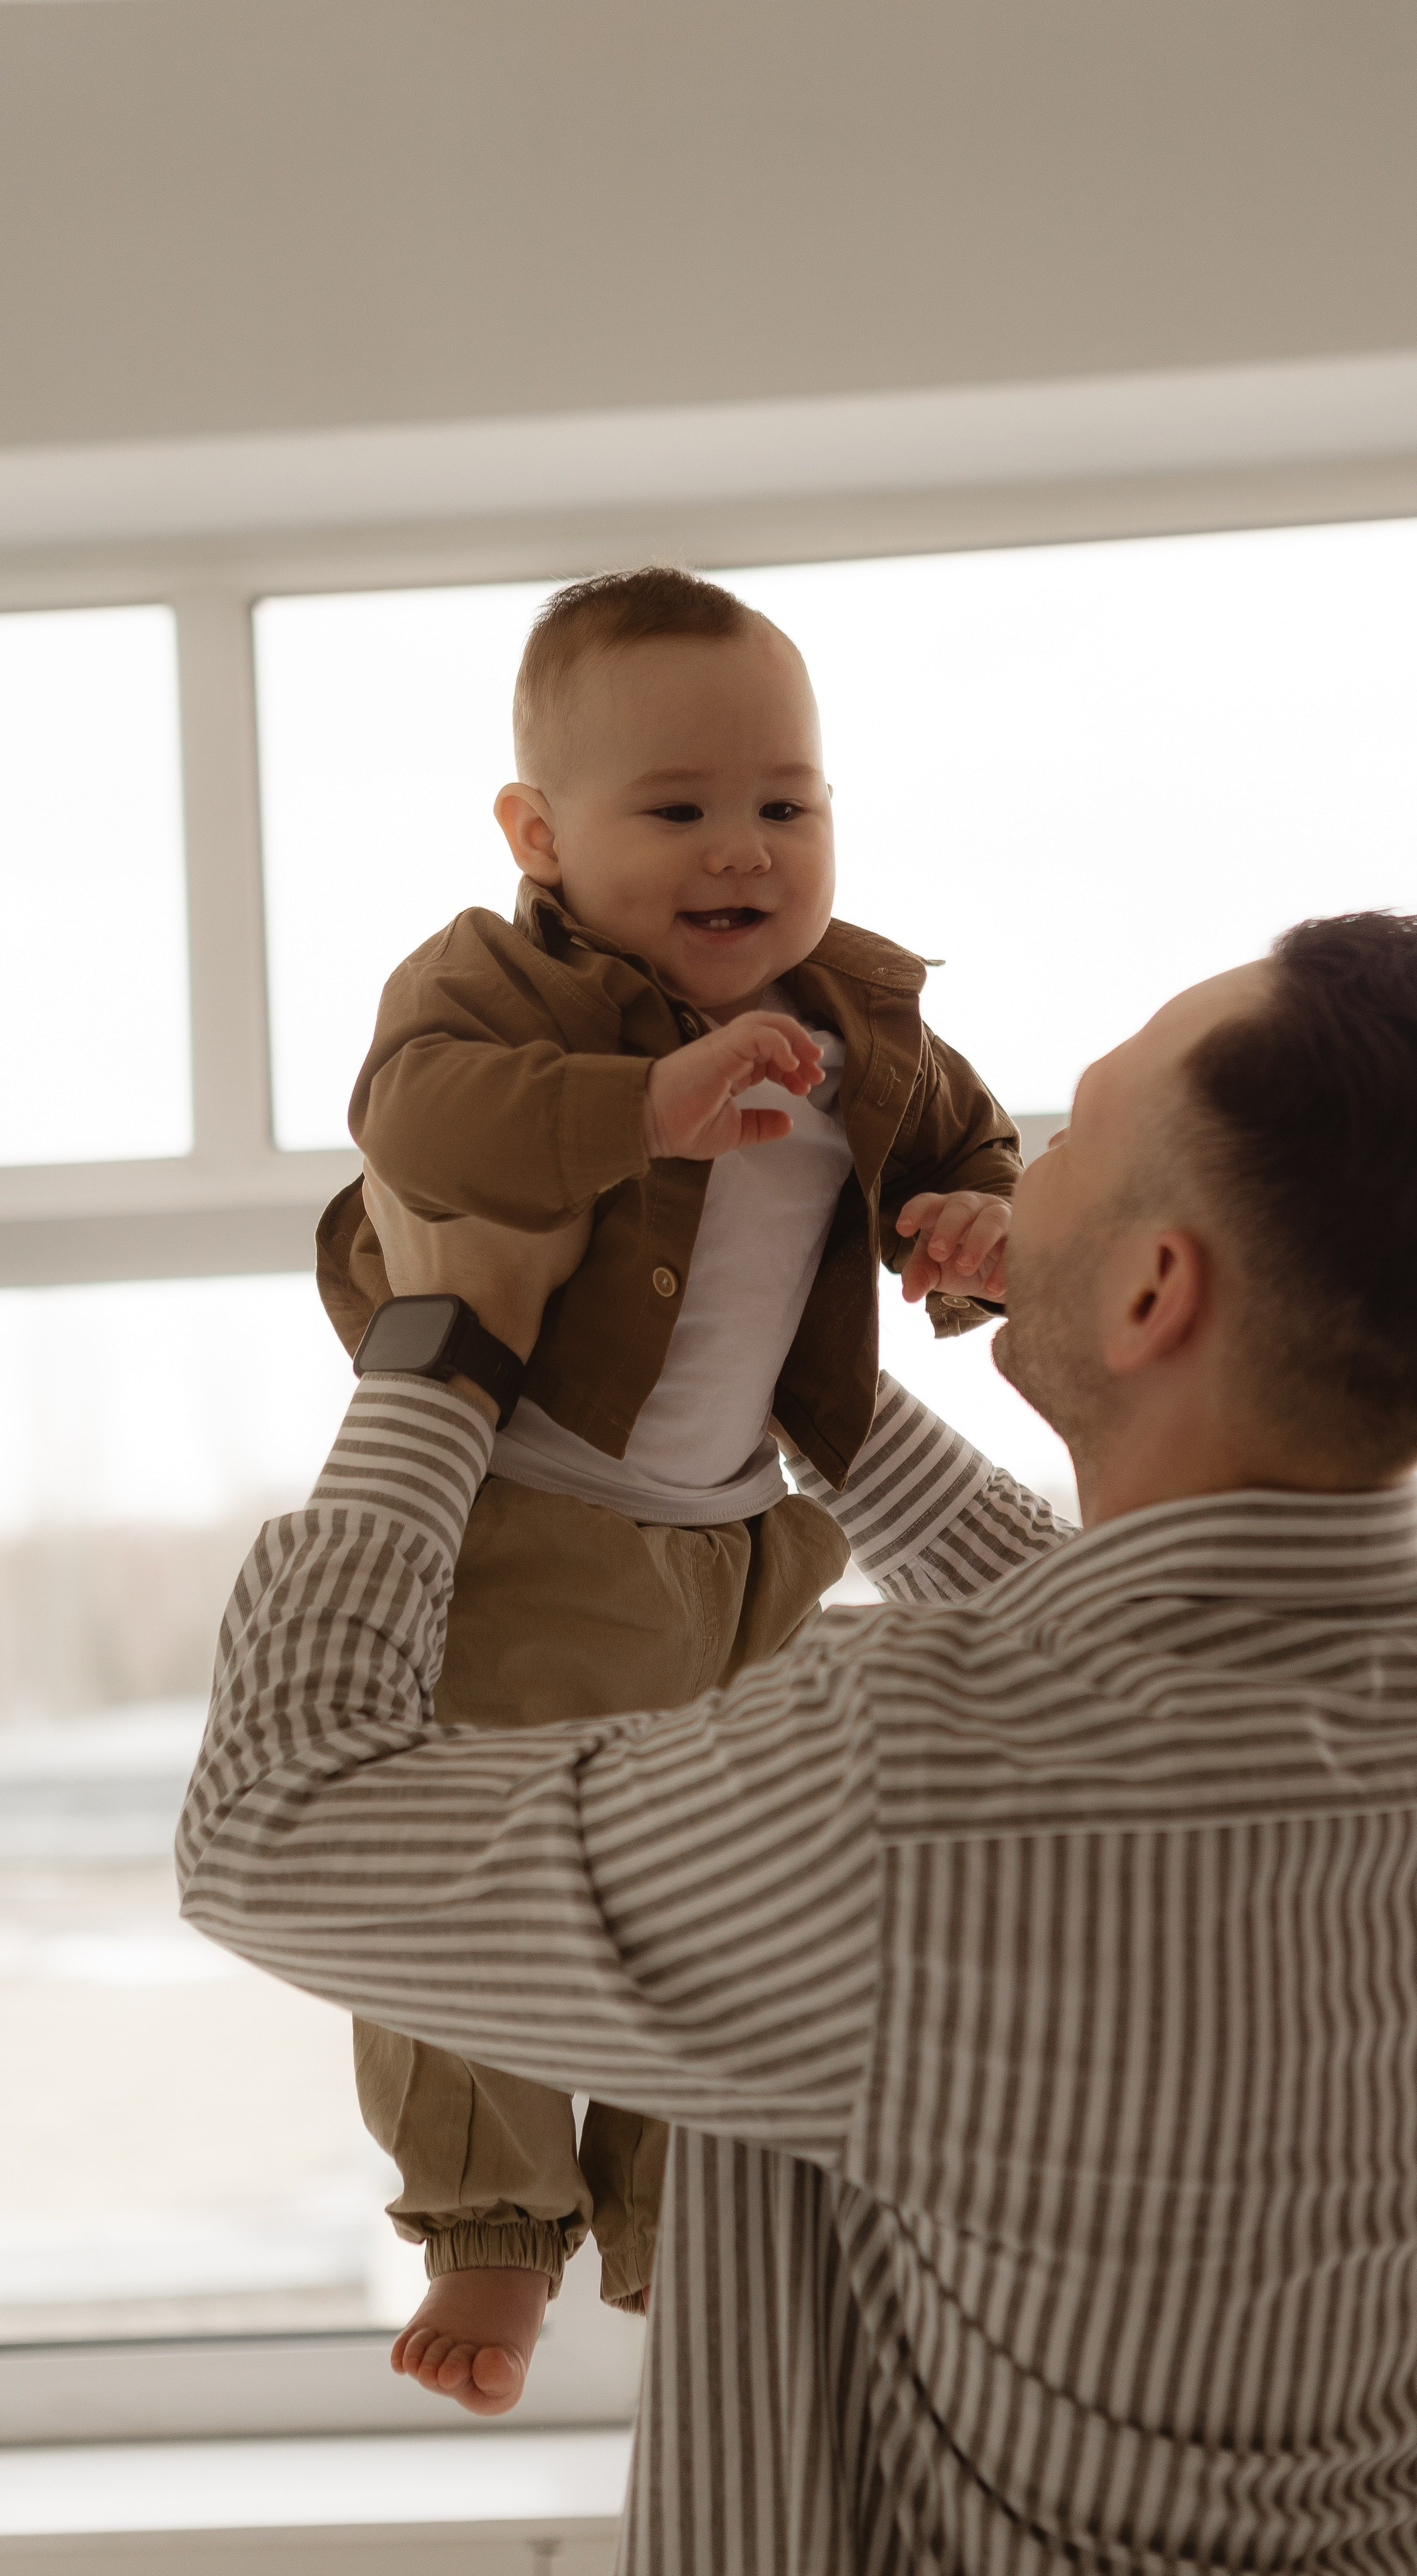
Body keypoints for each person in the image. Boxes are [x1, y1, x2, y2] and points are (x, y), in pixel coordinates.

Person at [178, 914, 1417, 2576]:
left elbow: (273, 1828)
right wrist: (796, 1388)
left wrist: (441, 1348)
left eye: (1078, 1131)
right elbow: (1150, 1670)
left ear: (1149, 1288)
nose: (1011, 1172)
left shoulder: (897, 1786)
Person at [311, 564, 1019, 2387]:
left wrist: (969, 1219)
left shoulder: (863, 1013)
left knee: (718, 1905)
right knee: (478, 1882)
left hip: (751, 1552)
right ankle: (487, 2232)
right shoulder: (496, 977)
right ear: (541, 832)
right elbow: (415, 1115)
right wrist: (643, 1105)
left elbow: (969, 1143)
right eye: (681, 809)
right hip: (539, 1519)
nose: (746, 852)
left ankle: (671, 2227)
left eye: (787, 804)